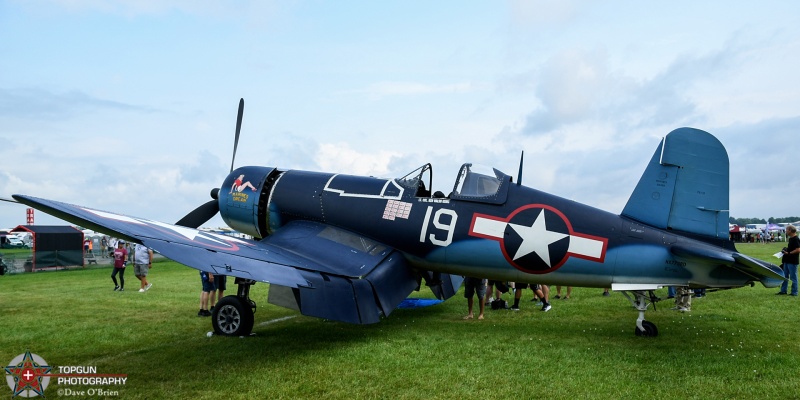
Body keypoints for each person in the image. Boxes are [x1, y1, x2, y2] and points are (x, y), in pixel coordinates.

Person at [777, 225, 800, 296]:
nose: (786, 231)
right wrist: (785, 250)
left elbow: (798, 249)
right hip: (787, 260)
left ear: (790, 230)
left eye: (787, 230)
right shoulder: (791, 239)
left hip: (792, 261)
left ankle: (794, 292)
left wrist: (789, 253)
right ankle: (783, 290)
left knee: (793, 277)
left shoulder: (796, 239)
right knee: (784, 276)